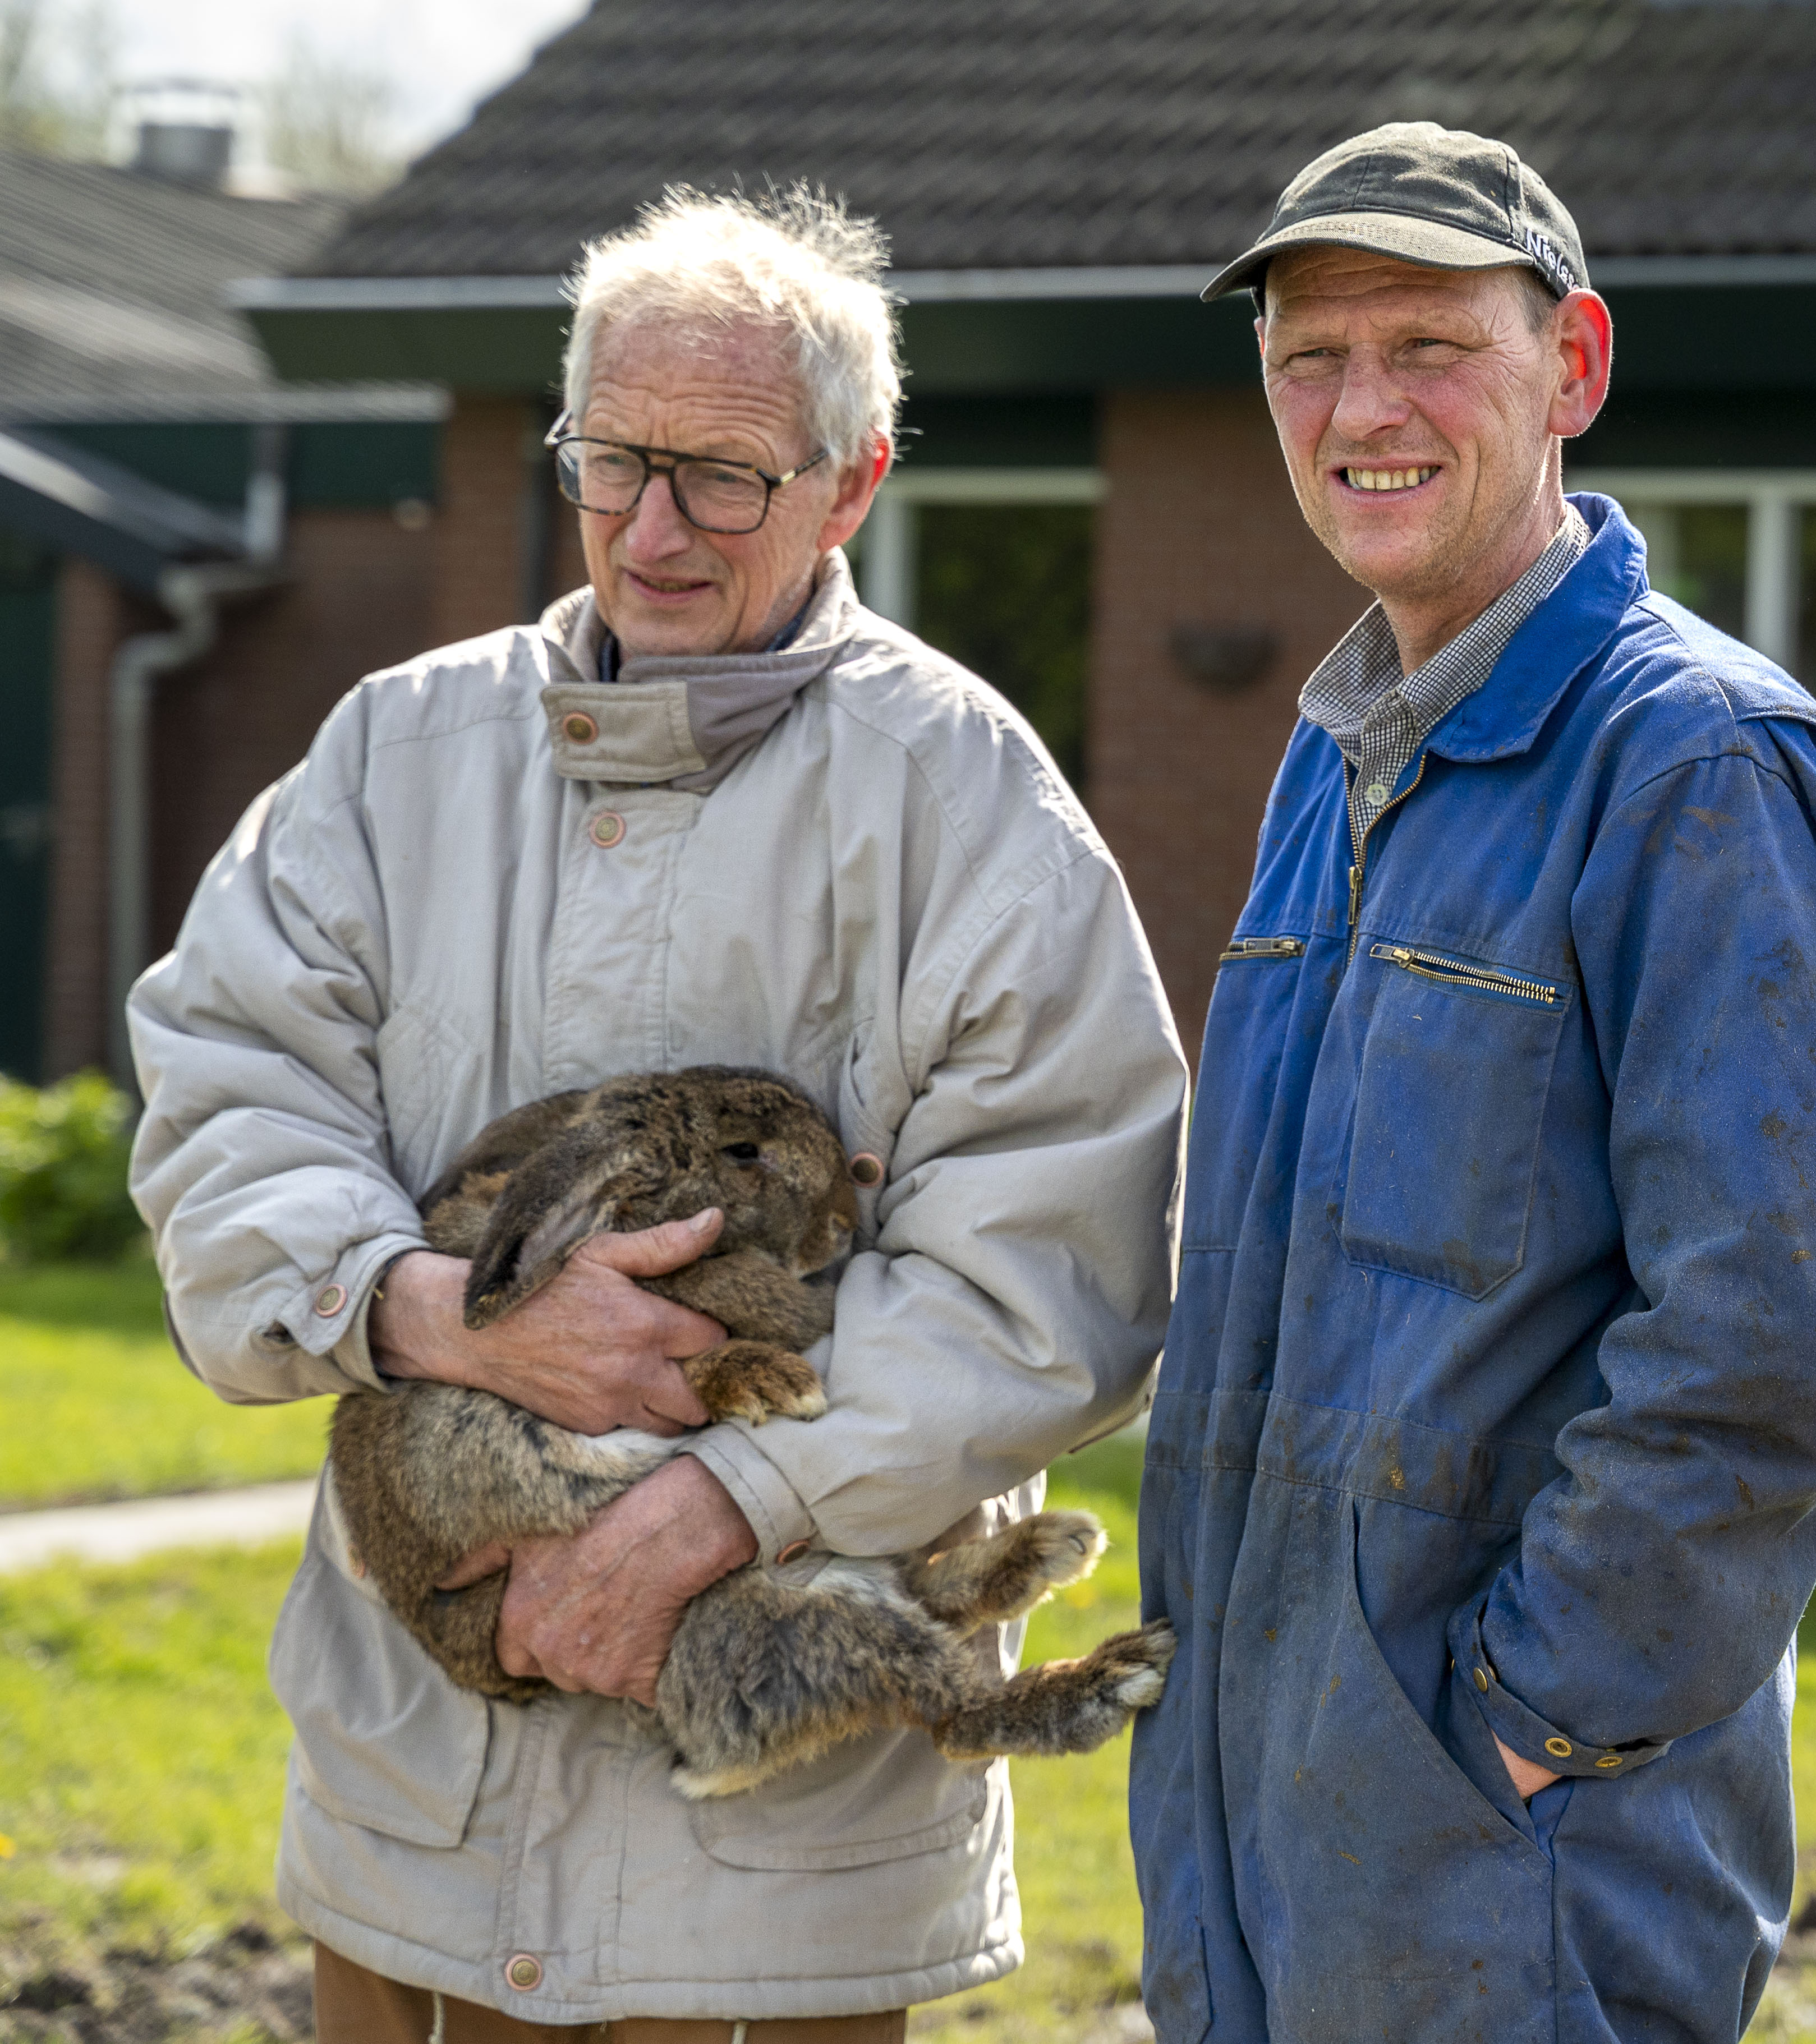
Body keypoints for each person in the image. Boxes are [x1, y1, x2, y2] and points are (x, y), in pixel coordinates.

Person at [127, 188, 1183, 2043]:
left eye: (723, 475)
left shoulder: (967, 802)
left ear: (853, 485)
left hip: (780, 1864)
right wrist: (416, 1305)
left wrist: (723, 1504)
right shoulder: (397, 755)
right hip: (422, 1790)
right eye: (613, 461)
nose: (654, 526)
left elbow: (1053, 1262)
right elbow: (229, 1086)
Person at [1125, 123, 1816, 2043]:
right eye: (1307, 357)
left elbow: (1768, 1341)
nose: (1357, 407)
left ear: (1573, 367)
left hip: (1522, 1873)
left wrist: (1534, 1723)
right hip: (1264, 1851)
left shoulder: (1696, 767)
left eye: (1426, 346)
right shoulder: (1337, 758)